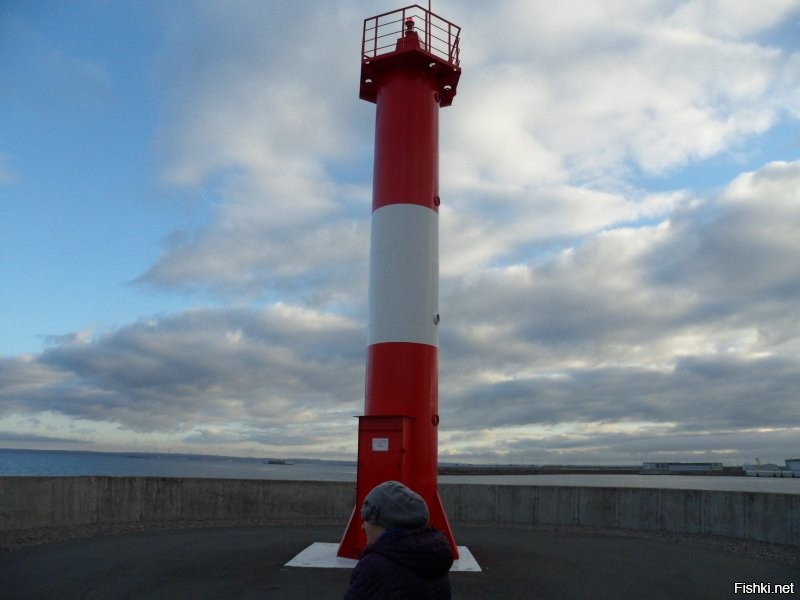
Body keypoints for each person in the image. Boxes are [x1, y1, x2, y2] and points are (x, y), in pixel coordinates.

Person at [343, 480, 454, 599]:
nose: (362, 527)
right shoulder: (433, 558)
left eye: (367, 519)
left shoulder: (373, 567)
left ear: (386, 524)